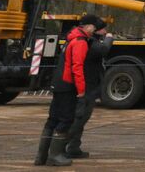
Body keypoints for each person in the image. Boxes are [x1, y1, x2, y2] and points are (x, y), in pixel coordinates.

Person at [35, 14, 96, 167]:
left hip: (58, 83)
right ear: (88, 26)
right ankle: (55, 156)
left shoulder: (71, 39)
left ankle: (41, 157)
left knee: (52, 120)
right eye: (94, 27)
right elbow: (77, 67)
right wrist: (81, 91)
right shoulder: (81, 42)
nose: (94, 31)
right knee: (65, 119)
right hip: (68, 86)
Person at [63, 15, 111, 159]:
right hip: (86, 86)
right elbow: (102, 50)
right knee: (80, 118)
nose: (104, 32)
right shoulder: (88, 42)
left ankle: (73, 147)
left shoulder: (83, 39)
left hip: (87, 84)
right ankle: (60, 146)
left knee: (81, 118)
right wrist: (109, 39)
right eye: (102, 29)